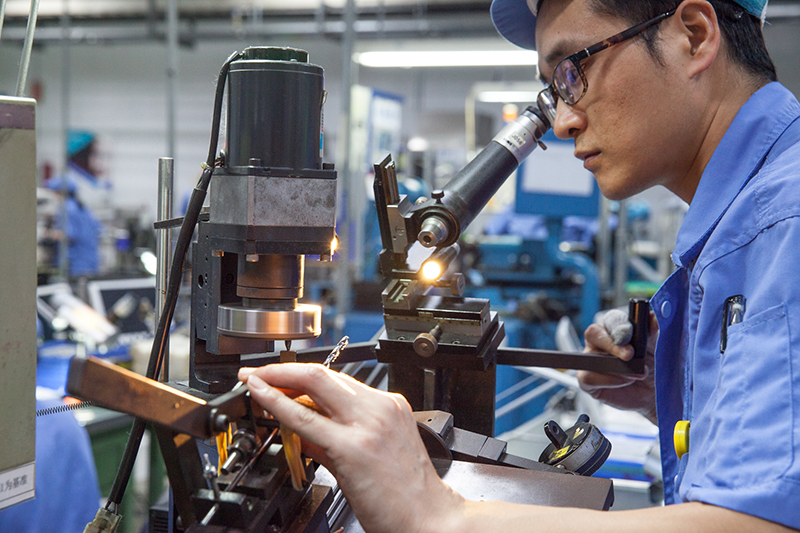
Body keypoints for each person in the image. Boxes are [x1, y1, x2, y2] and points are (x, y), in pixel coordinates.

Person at [239, 0, 800, 531]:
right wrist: (683, 389)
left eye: (574, 71)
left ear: (693, 35)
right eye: (553, 89)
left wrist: (437, 515)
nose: (562, 121)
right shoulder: (749, 221)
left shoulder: (784, 224)